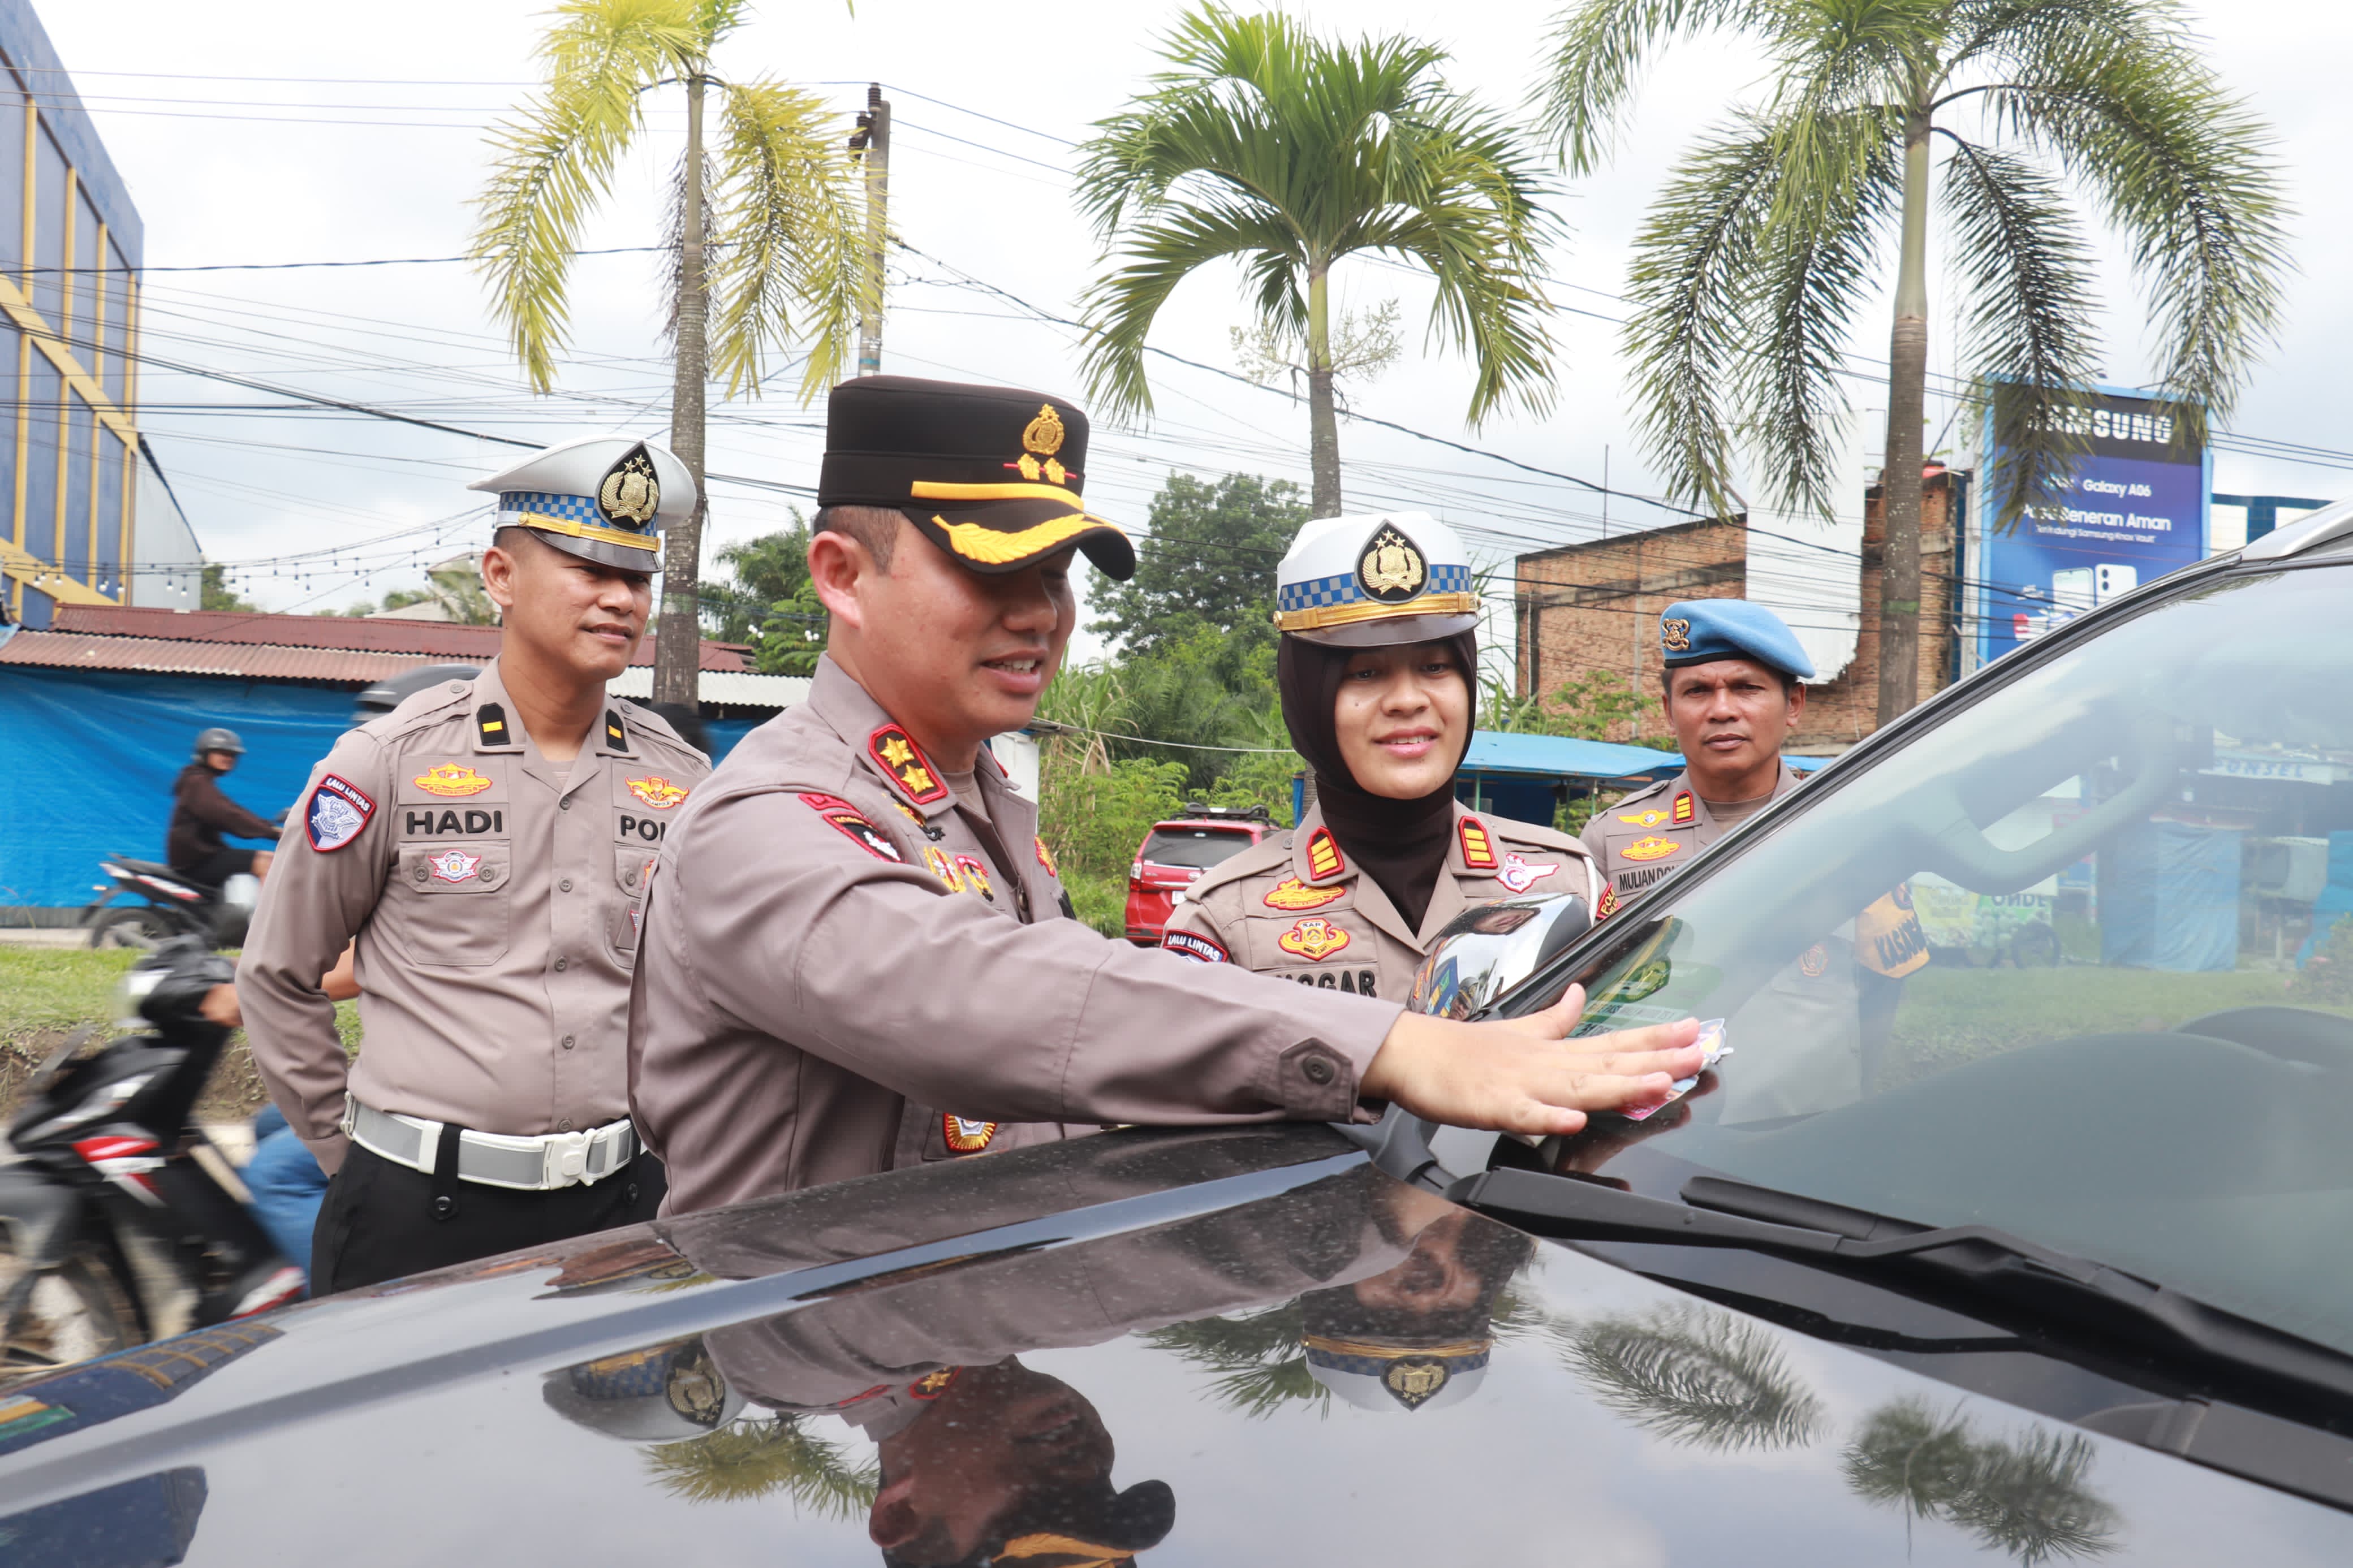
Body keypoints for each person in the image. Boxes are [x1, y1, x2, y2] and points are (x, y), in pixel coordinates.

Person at [628, 375, 1703, 1216]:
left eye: (1055, 576)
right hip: (798, 1390)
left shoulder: (978, 804)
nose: (1040, 614)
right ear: (841, 575)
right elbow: (977, 994)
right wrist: (1396, 1047)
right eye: (994, 572)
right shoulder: (767, 815)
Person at [238, 434, 714, 1293]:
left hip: (623, 1208)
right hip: (420, 1214)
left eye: (637, 577)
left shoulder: (679, 778)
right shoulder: (387, 762)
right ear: (501, 576)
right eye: (588, 569)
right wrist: (347, 1154)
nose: (620, 598)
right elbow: (277, 974)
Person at [1160, 511, 1611, 997]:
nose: (1408, 700)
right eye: (1365, 673)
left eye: (1435, 666)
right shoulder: (1227, 921)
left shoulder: (1569, 885)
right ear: (1307, 697)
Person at [1580, 599, 1817, 904]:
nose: (1722, 711)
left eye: (1746, 688)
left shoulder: (1836, 820)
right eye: (1697, 691)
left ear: (1793, 704)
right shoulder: (1611, 837)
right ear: (1669, 712)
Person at [166, 728, 281, 887]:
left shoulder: (200, 781)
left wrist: (269, 827)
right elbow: (226, 815)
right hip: (196, 863)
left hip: (202, 857)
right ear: (204, 754)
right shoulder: (196, 783)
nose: (228, 758)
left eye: (232, 755)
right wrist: (271, 832)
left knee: (272, 858)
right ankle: (269, 905)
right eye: (221, 753)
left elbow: (233, 810)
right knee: (269, 864)